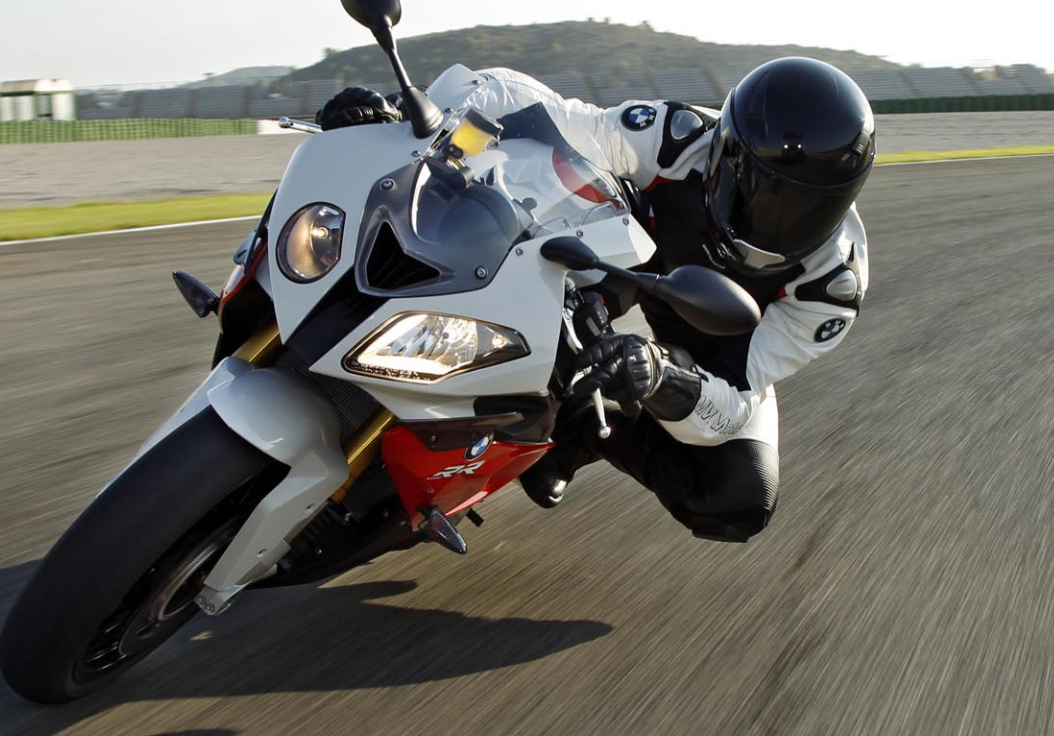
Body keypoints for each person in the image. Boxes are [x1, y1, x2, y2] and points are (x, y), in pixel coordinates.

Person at [317, 58, 874, 542]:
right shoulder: (676, 137)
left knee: (738, 497)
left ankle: (576, 429)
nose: (774, 220)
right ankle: (513, 385)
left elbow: (734, 405)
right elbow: (534, 108)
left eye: (805, 206)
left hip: (727, 343)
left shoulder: (830, 289)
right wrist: (409, 120)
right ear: (723, 153)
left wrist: (660, 376)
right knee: (545, 273)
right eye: (759, 186)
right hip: (624, 265)